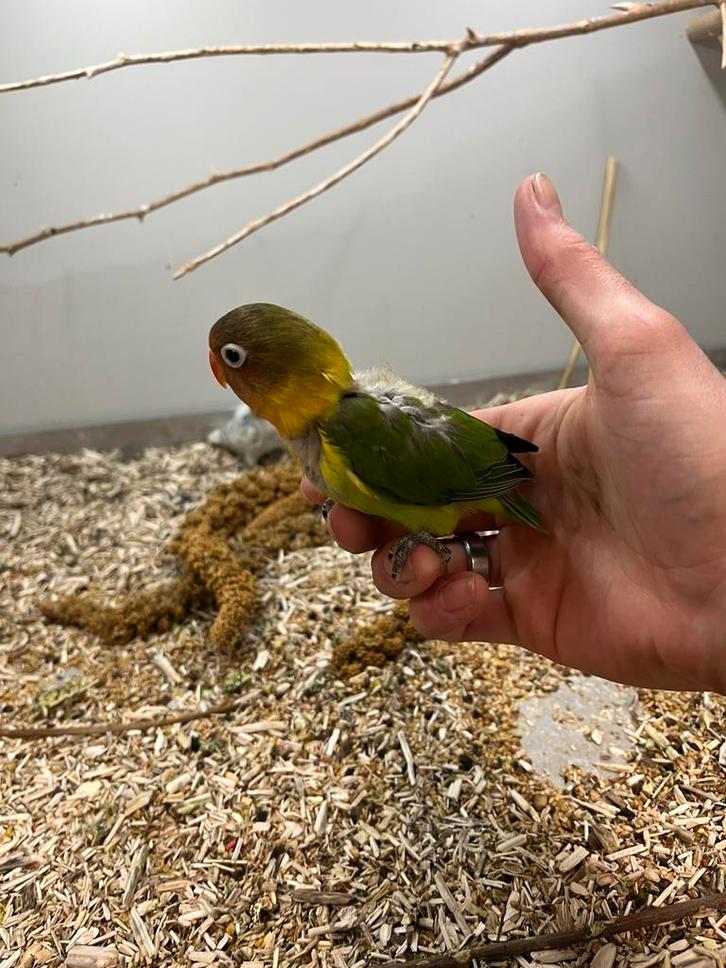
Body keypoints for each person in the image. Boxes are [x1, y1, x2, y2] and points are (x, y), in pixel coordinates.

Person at [302, 174, 726, 694]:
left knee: (409, 534)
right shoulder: (328, 435)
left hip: (476, 479)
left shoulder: (348, 434)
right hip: (463, 466)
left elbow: (431, 474)